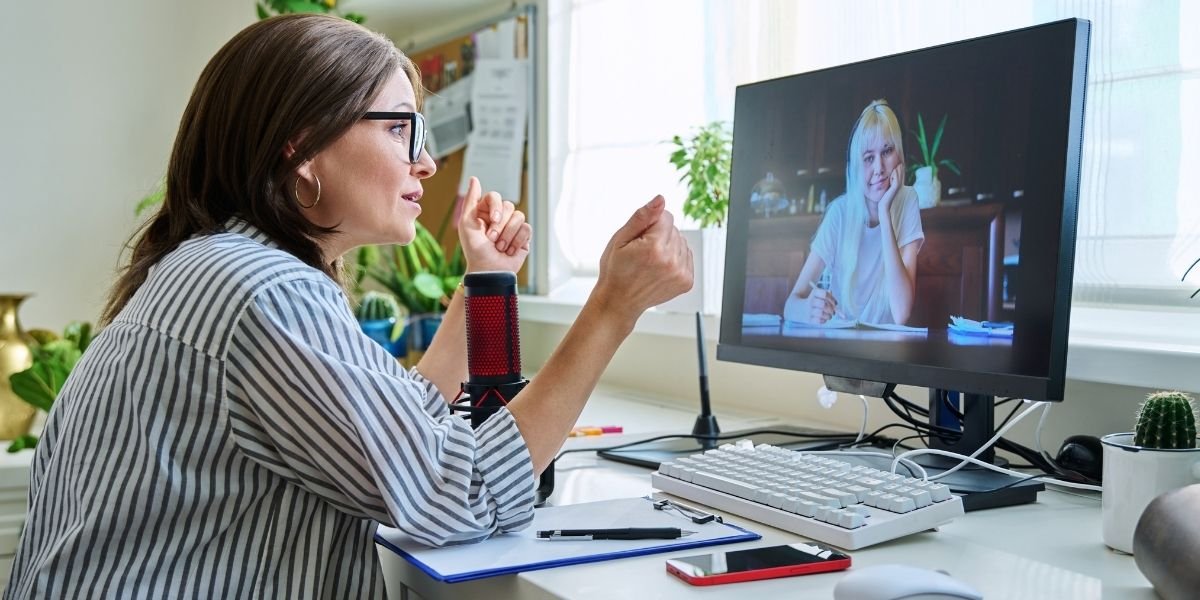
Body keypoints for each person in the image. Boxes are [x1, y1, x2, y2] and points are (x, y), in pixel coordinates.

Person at [4, 15, 692, 599]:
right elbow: (465, 492)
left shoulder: (212, 268)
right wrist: (611, 309)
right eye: (401, 131)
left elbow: (397, 431)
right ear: (301, 149)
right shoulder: (263, 292)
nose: (424, 164)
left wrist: (484, 282)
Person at [782, 99, 924, 326]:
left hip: (887, 351)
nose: (879, 168)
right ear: (856, 166)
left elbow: (901, 313)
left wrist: (884, 212)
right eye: (868, 158)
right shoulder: (839, 212)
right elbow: (790, 306)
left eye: (887, 151)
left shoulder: (907, 201)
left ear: (899, 155)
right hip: (842, 344)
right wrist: (807, 310)